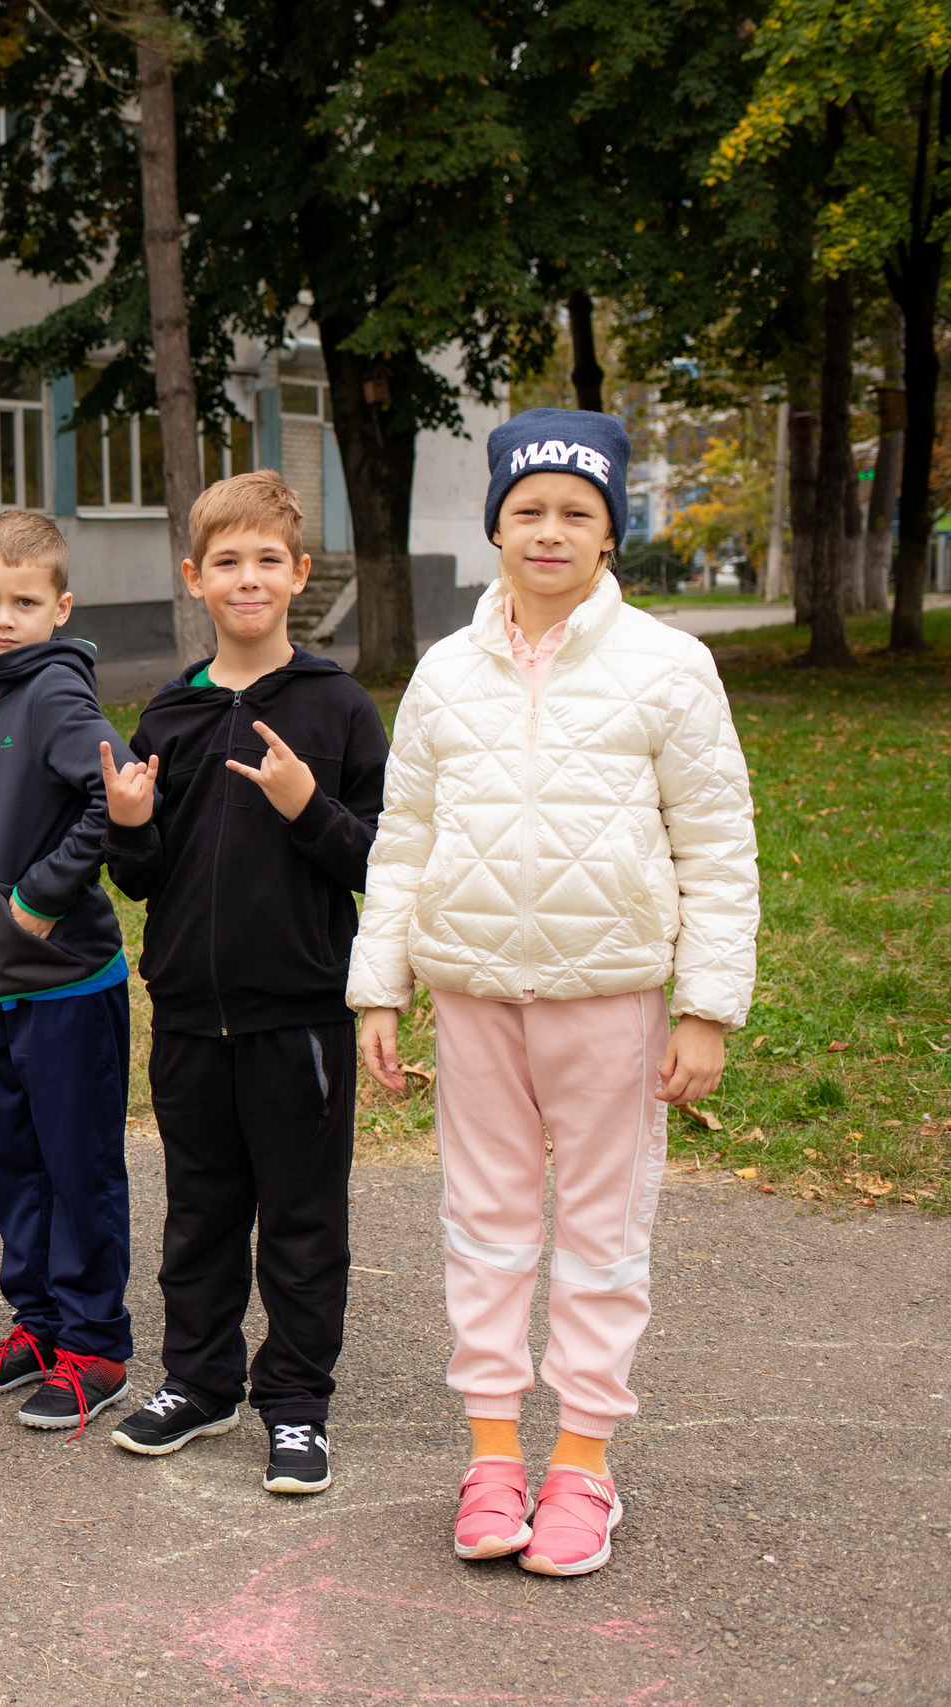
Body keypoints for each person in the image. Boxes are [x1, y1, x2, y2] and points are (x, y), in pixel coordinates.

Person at [350, 408, 757, 1577]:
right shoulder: (442, 672)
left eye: (576, 513)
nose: (548, 531)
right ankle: (491, 1456)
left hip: (610, 1002)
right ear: (493, 525)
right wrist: (379, 987)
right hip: (472, 998)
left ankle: (581, 1463)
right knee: (483, 1232)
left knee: (599, 1233)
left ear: (610, 532)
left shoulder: (668, 668)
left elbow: (718, 846)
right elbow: (402, 839)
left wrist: (704, 1007)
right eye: (526, 509)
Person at [95, 471, 387, 1495]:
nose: (248, 577)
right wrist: (130, 827)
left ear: (299, 573)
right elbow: (139, 878)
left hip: (295, 1019)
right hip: (184, 1019)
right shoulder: (169, 714)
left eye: (268, 560)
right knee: (199, 1217)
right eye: (227, 561)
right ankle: (199, 1383)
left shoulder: (336, 707)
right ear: (195, 577)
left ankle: (296, 1406)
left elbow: (376, 861)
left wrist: (307, 806)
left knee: (301, 1223)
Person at [0, 510, 136, 1434]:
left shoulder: (55, 694)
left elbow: (115, 792)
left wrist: (44, 894)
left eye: (24, 601)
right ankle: (41, 1326)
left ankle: (97, 1345)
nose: (3, 617)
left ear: (61, 604)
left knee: (76, 1167)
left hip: (65, 985)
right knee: (16, 1168)